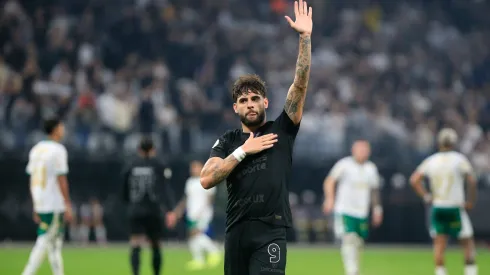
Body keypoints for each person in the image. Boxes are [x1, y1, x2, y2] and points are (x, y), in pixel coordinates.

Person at [199, 1, 312, 274]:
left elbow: (299, 83)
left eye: (255, 98)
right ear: (235, 108)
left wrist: (305, 38)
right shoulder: (228, 141)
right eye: (243, 100)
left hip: (271, 230)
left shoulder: (282, 129)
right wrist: (242, 151)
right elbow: (206, 178)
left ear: (265, 102)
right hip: (236, 231)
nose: (250, 104)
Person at [410, 128, 478, 275]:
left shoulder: (432, 160)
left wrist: (427, 196)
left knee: (439, 245)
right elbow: (472, 180)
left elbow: (414, 180)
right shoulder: (459, 159)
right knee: (467, 244)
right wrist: (470, 200)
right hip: (455, 207)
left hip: (438, 207)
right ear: (454, 142)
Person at [322, 140, 383, 275]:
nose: (362, 152)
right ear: (353, 150)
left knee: (358, 242)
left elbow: (374, 191)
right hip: (345, 210)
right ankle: (351, 271)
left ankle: (354, 268)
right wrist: (330, 199)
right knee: (349, 238)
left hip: (361, 212)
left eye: (365, 150)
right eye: (360, 149)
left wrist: (377, 209)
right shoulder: (344, 165)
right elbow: (330, 181)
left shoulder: (371, 168)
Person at [22, 117, 73, 275]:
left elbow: (32, 179)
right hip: (53, 202)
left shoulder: (36, 149)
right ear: (56, 129)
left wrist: (36, 205)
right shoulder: (58, 150)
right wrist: (67, 204)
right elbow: (61, 179)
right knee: (44, 240)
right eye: (62, 127)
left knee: (54, 244)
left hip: (41, 200)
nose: (63, 130)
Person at [121, 137, 177, 275]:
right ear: (153, 149)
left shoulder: (131, 165)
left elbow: (124, 189)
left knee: (135, 243)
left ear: (139, 149)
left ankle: (135, 273)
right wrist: (170, 210)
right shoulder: (159, 164)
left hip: (136, 210)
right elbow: (165, 189)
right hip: (154, 210)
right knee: (156, 244)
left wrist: (129, 203)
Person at [173, 160, 221, 270]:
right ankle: (199, 260)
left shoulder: (207, 179)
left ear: (202, 168)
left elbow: (210, 199)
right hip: (191, 213)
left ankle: (214, 251)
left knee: (197, 234)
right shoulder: (189, 182)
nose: (193, 169)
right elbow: (186, 198)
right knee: (192, 235)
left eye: (196, 167)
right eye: (192, 167)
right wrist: (179, 211)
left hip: (203, 213)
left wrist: (202, 211)